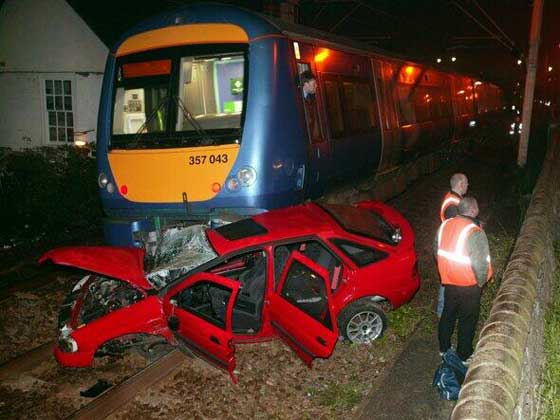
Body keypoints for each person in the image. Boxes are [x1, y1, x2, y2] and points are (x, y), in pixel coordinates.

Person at [435, 197, 492, 364]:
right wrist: (481, 282)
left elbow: (436, 249)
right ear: (474, 211)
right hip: (469, 285)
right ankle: (464, 354)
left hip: (449, 281)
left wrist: (446, 269)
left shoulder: (444, 225)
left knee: (448, 314)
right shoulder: (474, 231)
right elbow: (481, 263)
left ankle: (443, 348)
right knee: (467, 320)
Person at [437, 173, 469, 317]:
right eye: (466, 183)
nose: (468, 185)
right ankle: (442, 311)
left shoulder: (454, 198)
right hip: (450, 246)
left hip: (449, 244)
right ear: (461, 184)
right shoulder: (452, 204)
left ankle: (445, 310)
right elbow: (455, 226)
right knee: (448, 278)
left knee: (448, 278)